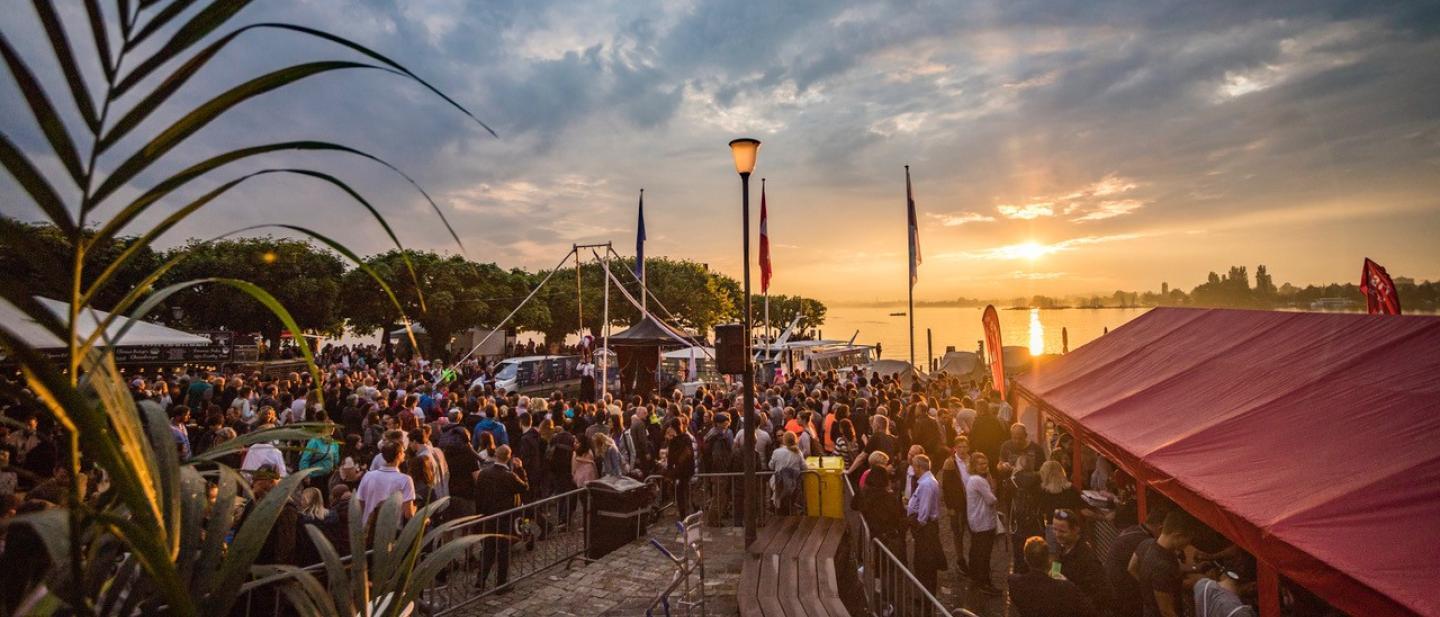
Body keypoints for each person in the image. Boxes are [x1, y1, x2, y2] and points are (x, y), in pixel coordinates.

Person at [474, 445, 527, 593]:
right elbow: (524, 487)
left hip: (489, 516)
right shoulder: (509, 476)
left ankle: (481, 580)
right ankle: (501, 583)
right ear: (508, 457)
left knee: (488, 550)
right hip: (504, 517)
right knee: (503, 551)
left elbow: (478, 495)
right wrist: (520, 469)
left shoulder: (484, 474)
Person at [1129, 510, 1201, 617]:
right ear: (1178, 535)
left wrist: (1148, 586)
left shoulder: (1146, 544)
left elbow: (1131, 567)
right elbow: (1166, 612)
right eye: (1188, 540)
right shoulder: (1162, 567)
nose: (1188, 545)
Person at [1007, 536, 1101, 617]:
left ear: (1025, 559)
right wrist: (1064, 580)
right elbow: (1090, 611)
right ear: (1048, 558)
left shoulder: (1014, 583)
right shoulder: (1065, 588)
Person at [1107, 504, 1168, 617]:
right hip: (1125, 595)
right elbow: (1143, 572)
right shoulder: (1145, 542)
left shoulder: (1134, 529)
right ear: (1161, 528)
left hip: (1113, 590)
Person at [1053, 507, 1114, 612]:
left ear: (1076, 529)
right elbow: (1055, 573)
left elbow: (1102, 594)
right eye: (1055, 529)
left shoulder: (1086, 558)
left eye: (1062, 531)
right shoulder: (1061, 549)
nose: (1057, 535)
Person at [905, 454, 945, 594]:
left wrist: (917, 525)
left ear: (919, 467)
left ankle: (926, 593)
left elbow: (924, 511)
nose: (913, 469)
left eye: (914, 466)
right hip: (925, 527)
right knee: (923, 562)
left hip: (926, 528)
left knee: (925, 563)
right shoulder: (925, 481)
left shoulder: (927, 484)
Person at [355, 440, 416, 525]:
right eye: (403, 452)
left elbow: (360, 503)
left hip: (368, 527)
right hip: (391, 530)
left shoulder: (368, 476)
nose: (405, 454)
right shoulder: (405, 480)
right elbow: (408, 514)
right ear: (399, 455)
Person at [965, 452, 1001, 594]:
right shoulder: (979, 481)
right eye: (980, 464)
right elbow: (991, 500)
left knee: (975, 551)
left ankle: (975, 577)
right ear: (974, 466)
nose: (984, 466)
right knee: (984, 554)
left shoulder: (973, 479)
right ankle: (984, 582)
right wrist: (993, 488)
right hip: (983, 522)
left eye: (985, 463)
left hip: (975, 520)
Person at [940, 436, 971, 576]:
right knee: (958, 532)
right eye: (960, 447)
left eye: (965, 447)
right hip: (957, 503)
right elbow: (946, 486)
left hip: (971, 502)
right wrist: (950, 507)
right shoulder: (950, 463)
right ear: (955, 448)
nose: (963, 450)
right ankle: (960, 559)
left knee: (971, 530)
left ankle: (972, 557)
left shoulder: (972, 460)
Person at [663, 419, 695, 515]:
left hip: (679, 471)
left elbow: (671, 458)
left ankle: (684, 513)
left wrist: (670, 471)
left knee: (680, 493)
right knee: (686, 491)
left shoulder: (674, 441)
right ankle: (689, 510)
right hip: (687, 470)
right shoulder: (686, 438)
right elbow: (690, 453)